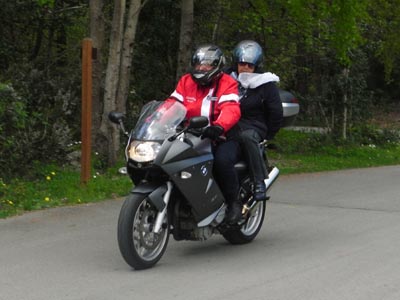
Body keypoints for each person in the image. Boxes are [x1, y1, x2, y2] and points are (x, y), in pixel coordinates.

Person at [165, 44, 242, 222]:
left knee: (222, 162)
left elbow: (231, 109)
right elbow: (171, 105)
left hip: (221, 136)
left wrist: (219, 126)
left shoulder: (227, 83)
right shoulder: (186, 81)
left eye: (207, 65)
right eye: (199, 64)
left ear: (217, 66)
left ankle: (233, 203)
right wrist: (155, 122)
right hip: (190, 134)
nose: (202, 68)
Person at [216, 40, 283, 223]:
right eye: (241, 63)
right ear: (235, 63)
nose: (245, 68)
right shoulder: (225, 79)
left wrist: (268, 134)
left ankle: (258, 182)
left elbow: (276, 112)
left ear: (256, 66)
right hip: (228, 124)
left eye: (249, 65)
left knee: (247, 137)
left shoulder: (266, 83)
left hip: (253, 125)